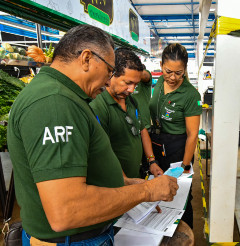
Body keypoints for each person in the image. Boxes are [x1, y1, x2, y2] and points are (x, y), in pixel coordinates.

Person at [7, 25, 178, 245]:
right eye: (109, 71)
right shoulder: (55, 104)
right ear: (86, 58)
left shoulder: (66, 96)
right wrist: (146, 191)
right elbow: (67, 210)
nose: (109, 81)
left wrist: (125, 184)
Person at [149, 43, 202, 228]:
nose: (172, 77)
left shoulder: (189, 95)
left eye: (178, 73)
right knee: (157, 190)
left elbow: (192, 134)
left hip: (177, 149)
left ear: (185, 69)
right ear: (161, 65)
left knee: (180, 195)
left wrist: (185, 166)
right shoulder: (159, 83)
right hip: (156, 144)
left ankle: (184, 233)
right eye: (168, 71)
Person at [90, 48, 163, 178]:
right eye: (128, 83)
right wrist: (125, 181)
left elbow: (142, 130)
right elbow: (103, 153)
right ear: (111, 74)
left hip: (134, 177)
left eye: (136, 84)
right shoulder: (99, 106)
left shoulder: (131, 100)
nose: (131, 89)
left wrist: (152, 161)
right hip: (115, 184)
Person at [131, 64, 157, 177]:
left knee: (147, 166)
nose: (131, 88)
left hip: (145, 129)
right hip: (131, 130)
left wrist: (132, 70)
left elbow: (146, 76)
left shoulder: (144, 82)